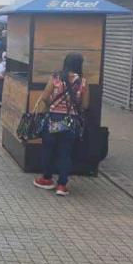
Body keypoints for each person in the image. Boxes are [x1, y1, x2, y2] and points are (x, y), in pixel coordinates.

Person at [32, 53, 90, 196]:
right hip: (71, 121)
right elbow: (85, 105)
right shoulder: (83, 82)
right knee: (66, 153)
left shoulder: (56, 78)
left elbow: (45, 97)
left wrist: (50, 106)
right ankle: (62, 185)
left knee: (48, 149)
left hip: (53, 119)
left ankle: (46, 179)